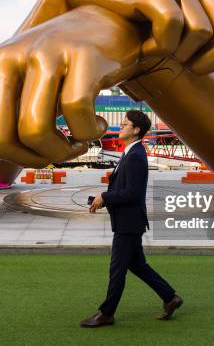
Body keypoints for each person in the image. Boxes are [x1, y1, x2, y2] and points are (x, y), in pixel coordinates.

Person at [81, 110, 183, 328]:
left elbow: (133, 194)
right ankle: (170, 297)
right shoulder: (130, 152)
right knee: (138, 265)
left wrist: (104, 197)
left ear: (136, 130)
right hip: (128, 221)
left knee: (117, 269)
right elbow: (124, 189)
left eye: (125, 124)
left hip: (129, 223)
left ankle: (106, 313)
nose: (121, 127)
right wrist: (98, 199)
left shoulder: (136, 155)